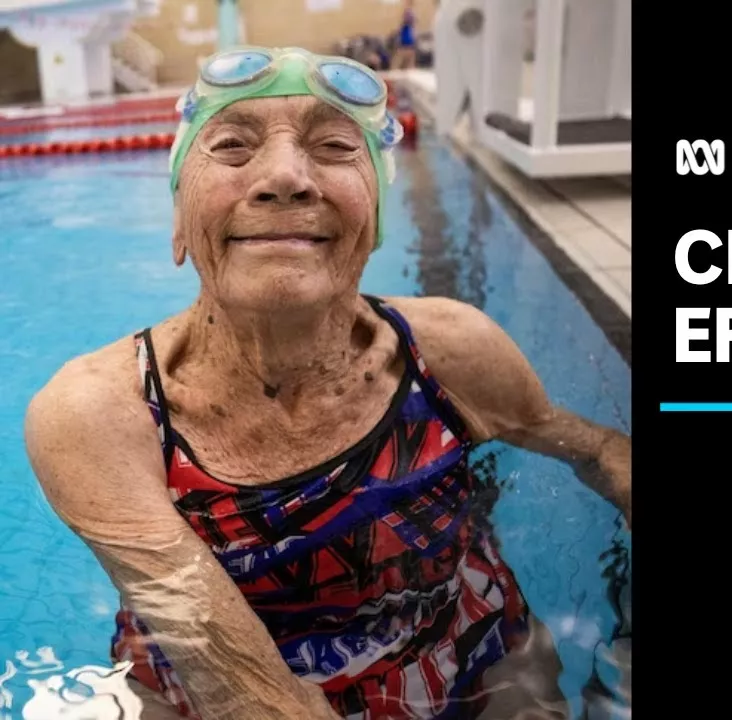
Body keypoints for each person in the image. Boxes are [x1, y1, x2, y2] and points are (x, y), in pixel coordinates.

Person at [24, 46, 631, 720]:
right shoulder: (99, 414)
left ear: (372, 224)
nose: (285, 178)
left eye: (336, 147)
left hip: (463, 649)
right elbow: (251, 695)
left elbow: (600, 449)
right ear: (177, 223)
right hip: (201, 691)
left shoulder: (452, 352)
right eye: (231, 146)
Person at [392, 1, 418, 70]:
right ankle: (406, 67)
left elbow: (408, 22)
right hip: (406, 36)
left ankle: (409, 67)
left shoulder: (409, 12)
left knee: (406, 55)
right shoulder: (408, 12)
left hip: (407, 36)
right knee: (403, 56)